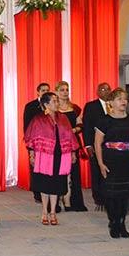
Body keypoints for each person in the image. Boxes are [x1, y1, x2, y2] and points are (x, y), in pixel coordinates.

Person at [25, 92, 79, 226]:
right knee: (45, 184)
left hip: (61, 155)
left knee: (56, 184)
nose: (57, 103)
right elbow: (31, 138)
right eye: (54, 101)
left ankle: (53, 212)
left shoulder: (64, 118)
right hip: (45, 155)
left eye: (57, 100)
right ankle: (44, 211)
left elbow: (70, 137)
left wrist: (72, 152)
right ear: (46, 104)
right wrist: (32, 154)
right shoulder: (38, 119)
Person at [94, 88, 129, 239]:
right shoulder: (104, 121)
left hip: (127, 160)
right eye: (120, 99)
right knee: (112, 194)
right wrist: (100, 163)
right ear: (111, 103)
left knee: (124, 193)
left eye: (125, 99)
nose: (124, 102)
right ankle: (113, 222)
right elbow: (97, 143)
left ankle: (122, 222)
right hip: (110, 160)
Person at [55, 81, 88, 212]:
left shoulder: (75, 108)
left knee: (73, 172)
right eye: (62, 90)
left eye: (67, 89)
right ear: (56, 92)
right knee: (58, 172)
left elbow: (81, 125)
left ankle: (72, 202)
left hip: (73, 142)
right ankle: (56, 201)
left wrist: (73, 130)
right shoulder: (53, 107)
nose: (65, 92)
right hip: (58, 143)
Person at [83, 83, 111, 211]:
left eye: (108, 89)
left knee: (110, 172)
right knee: (96, 172)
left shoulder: (114, 104)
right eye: (103, 89)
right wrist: (88, 145)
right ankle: (99, 198)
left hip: (111, 146)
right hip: (96, 144)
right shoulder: (91, 106)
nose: (106, 91)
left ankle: (109, 197)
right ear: (97, 91)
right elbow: (87, 126)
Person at [23, 82, 50, 204]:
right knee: (35, 167)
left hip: (49, 142)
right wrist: (30, 143)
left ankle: (47, 191)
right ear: (38, 92)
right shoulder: (30, 106)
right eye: (43, 90)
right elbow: (27, 125)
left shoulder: (52, 105)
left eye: (47, 90)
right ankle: (37, 193)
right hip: (34, 142)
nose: (45, 92)